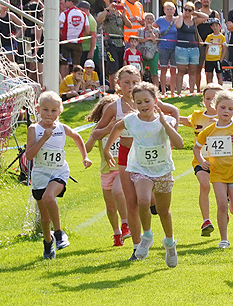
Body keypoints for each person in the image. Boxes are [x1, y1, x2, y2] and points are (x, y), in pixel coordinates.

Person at [104, 82, 183, 267]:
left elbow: (179, 144)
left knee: (163, 211)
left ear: (155, 101)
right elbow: (116, 128)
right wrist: (107, 149)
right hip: (140, 169)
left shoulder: (167, 121)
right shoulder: (131, 120)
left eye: (146, 101)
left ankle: (170, 243)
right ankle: (146, 236)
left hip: (163, 170)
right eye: (138, 102)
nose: (143, 105)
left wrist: (165, 124)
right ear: (134, 104)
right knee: (143, 201)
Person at [27, 91, 92, 259]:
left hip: (59, 171)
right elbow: (29, 155)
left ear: (60, 111)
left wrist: (85, 157)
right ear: (38, 109)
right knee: (44, 216)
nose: (49, 114)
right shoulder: (34, 129)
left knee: (49, 198)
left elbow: (77, 138)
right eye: (45, 110)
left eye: (53, 111)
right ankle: (48, 244)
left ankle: (59, 234)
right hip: (40, 173)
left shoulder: (62, 128)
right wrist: (43, 139)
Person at [193, 91, 233, 248]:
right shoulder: (209, 130)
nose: (226, 111)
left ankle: (228, 206)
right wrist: (201, 161)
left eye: (230, 108)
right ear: (216, 107)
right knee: (221, 205)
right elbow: (196, 148)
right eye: (222, 108)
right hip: (217, 174)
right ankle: (224, 239)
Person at [85, 95, 130, 247]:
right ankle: (117, 234)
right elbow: (88, 147)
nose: (110, 117)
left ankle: (126, 225)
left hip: (122, 168)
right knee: (110, 207)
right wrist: (101, 132)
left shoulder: (123, 124)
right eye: (106, 114)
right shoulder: (99, 128)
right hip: (106, 170)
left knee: (118, 191)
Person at [178, 83, 221, 237]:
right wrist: (164, 114)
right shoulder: (197, 116)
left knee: (221, 193)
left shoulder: (225, 117)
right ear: (203, 100)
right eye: (208, 98)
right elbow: (184, 121)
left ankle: (224, 209)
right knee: (204, 185)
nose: (211, 101)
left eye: (215, 98)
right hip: (201, 161)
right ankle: (206, 221)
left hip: (222, 163)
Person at [97, 1, 132, 92]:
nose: (117, 4)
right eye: (115, 2)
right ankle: (112, 88)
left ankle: (119, 87)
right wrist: (108, 9)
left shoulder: (120, 14)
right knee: (113, 66)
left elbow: (129, 25)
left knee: (120, 66)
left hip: (121, 42)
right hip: (111, 42)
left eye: (118, 2)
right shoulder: (107, 13)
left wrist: (124, 15)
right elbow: (99, 19)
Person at [59, 0, 91, 76]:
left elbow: (57, 26)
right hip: (77, 42)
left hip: (66, 42)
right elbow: (87, 31)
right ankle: (77, 82)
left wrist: (62, 34)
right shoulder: (83, 14)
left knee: (64, 64)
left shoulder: (65, 13)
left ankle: (65, 82)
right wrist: (78, 34)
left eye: (66, 1)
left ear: (71, 2)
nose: (64, 3)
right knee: (76, 64)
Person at [196, 0, 221, 88]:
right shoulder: (198, 13)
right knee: (198, 67)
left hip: (213, 45)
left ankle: (215, 87)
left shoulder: (215, 13)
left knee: (213, 68)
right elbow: (194, 27)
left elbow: (219, 29)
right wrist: (199, 40)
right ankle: (198, 90)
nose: (206, 1)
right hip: (201, 44)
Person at [156, 3, 179, 94]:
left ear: (174, 10)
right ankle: (163, 91)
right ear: (164, 10)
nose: (169, 11)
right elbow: (151, 27)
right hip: (163, 47)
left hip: (175, 48)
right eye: (167, 9)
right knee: (163, 69)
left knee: (173, 70)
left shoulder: (177, 20)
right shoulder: (160, 20)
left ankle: (173, 91)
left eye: (171, 9)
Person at [136, 12, 160, 89]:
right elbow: (139, 40)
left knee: (154, 73)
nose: (149, 21)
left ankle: (156, 89)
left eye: (151, 19)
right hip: (142, 52)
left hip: (153, 53)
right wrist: (148, 38)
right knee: (140, 72)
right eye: (147, 19)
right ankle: (139, 89)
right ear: (144, 20)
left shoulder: (156, 30)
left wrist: (150, 30)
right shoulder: (140, 30)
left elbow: (154, 40)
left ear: (153, 20)